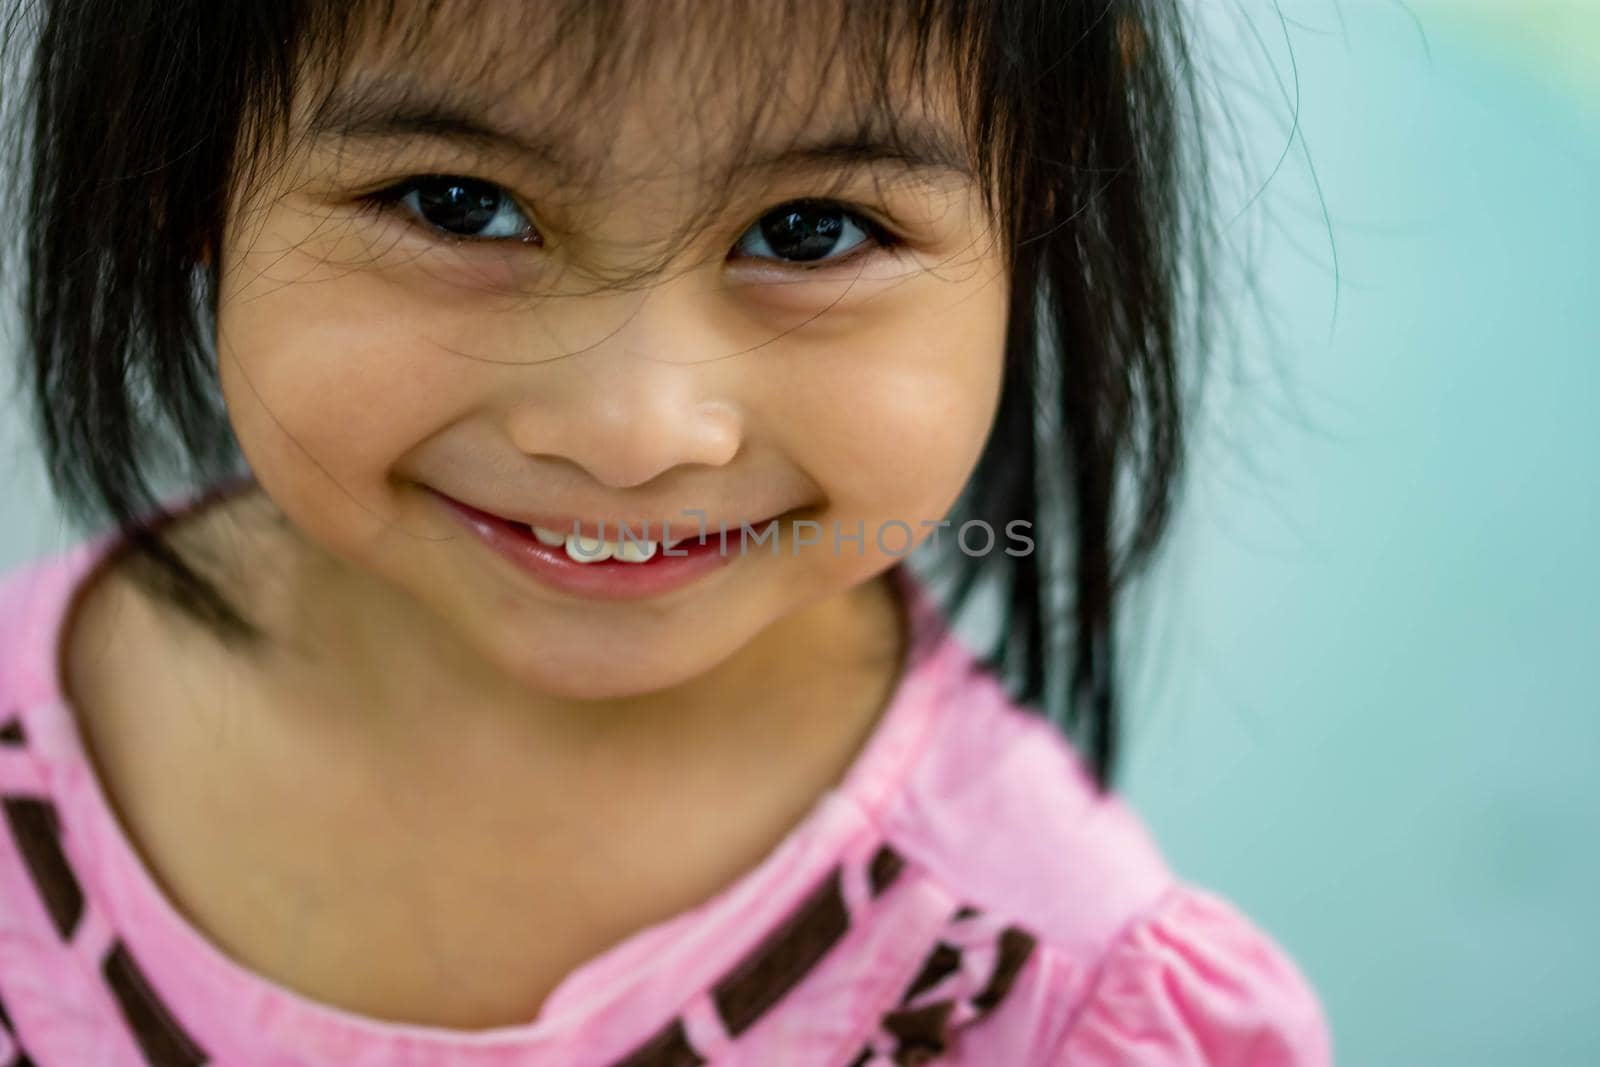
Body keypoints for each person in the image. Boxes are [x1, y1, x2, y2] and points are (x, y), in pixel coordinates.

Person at [0, 1, 1331, 1063]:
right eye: (457, 203)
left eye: (812, 233)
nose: (631, 432)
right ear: (169, 147)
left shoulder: (1050, 1001)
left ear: (1051, 166)